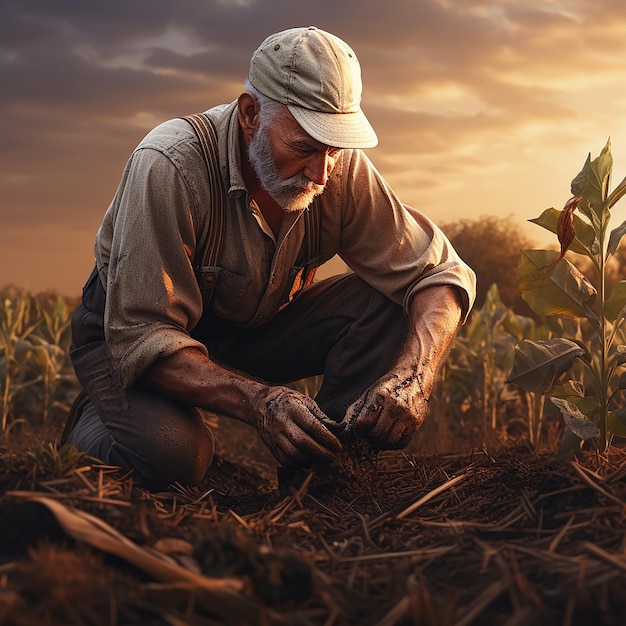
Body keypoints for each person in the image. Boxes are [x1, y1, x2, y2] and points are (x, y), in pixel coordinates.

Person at [62, 26, 476, 491]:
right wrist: (260, 402)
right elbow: (144, 336)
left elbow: (440, 273)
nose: (320, 173)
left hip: (246, 332)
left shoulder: (335, 169)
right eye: (302, 147)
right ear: (251, 114)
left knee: (391, 301)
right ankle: (98, 421)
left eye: (333, 149)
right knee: (174, 455)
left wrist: (414, 376)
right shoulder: (171, 164)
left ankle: (323, 476)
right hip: (129, 343)